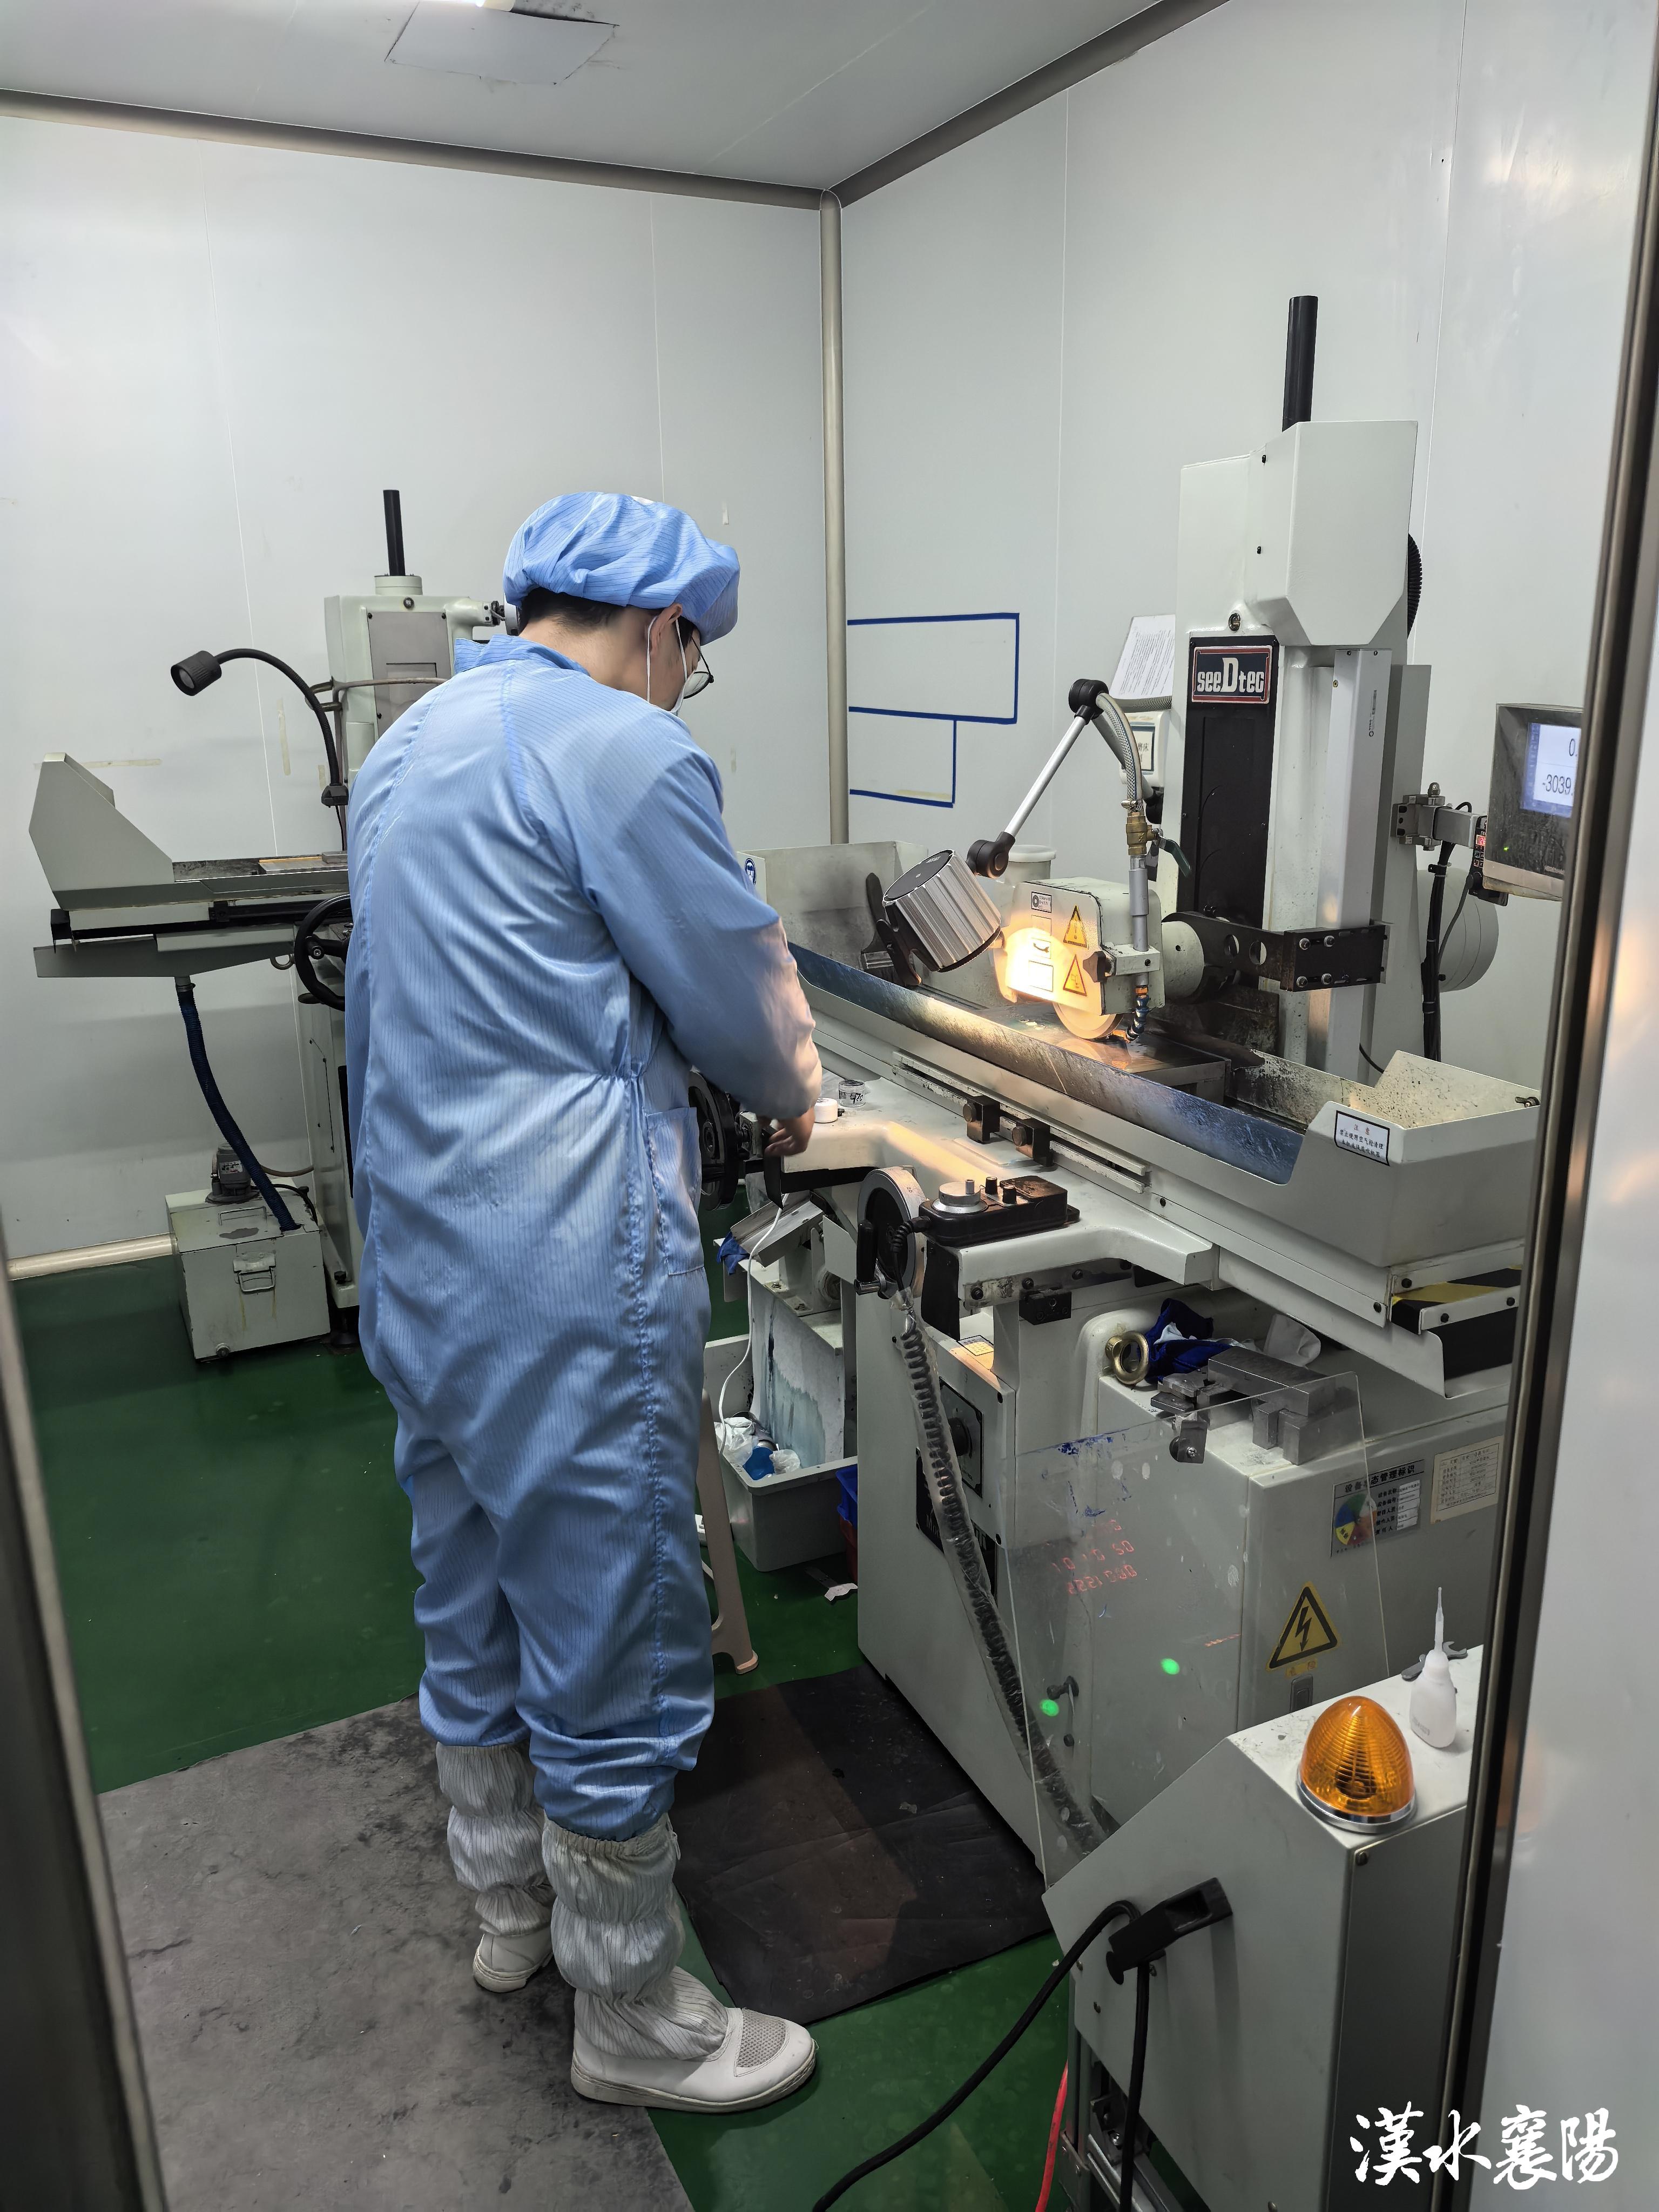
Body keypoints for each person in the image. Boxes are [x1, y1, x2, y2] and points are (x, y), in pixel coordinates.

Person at [344, 493, 822, 2114]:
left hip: (425, 1264)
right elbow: (741, 1001)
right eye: (696, 653)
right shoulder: (624, 751)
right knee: (614, 1626)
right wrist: (800, 1093)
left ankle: (509, 1916)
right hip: (561, 1272)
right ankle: (630, 2014)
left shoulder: (411, 745)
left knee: (470, 1587)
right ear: (664, 626)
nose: (688, 681)